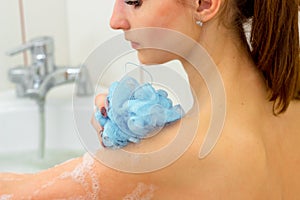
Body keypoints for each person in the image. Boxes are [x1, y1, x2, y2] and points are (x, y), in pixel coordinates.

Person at [1, 0, 299, 199]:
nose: (115, 21)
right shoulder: (293, 110)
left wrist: (120, 158)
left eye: (134, 1)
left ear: (204, 3)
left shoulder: (172, 154)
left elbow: (18, 192)